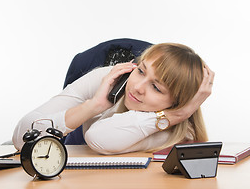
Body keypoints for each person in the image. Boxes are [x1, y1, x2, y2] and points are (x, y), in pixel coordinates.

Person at [12, 43, 214, 154]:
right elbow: (21, 137)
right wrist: (94, 105)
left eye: (156, 87)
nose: (138, 87)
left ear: (177, 103)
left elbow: (99, 137)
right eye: (141, 71)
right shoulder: (109, 78)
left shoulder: (175, 129)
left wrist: (178, 115)